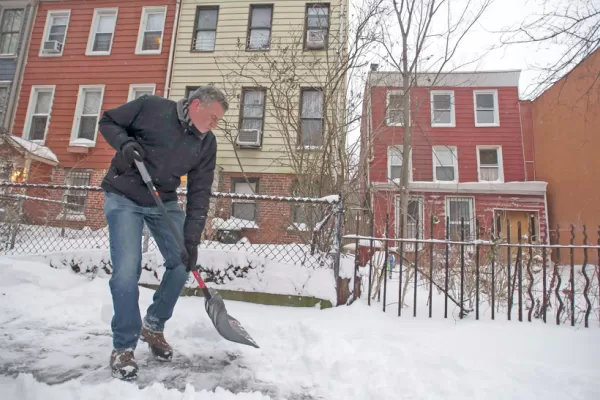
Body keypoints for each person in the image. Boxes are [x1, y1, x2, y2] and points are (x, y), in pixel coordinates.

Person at [98, 86, 228, 380]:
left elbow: (200, 192)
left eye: (218, 121)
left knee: (182, 263)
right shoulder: (151, 107)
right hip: (125, 193)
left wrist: (191, 239)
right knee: (126, 272)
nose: (214, 125)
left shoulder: (206, 143)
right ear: (196, 105)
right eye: (213, 117)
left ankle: (153, 325)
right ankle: (123, 346)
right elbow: (108, 121)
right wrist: (124, 143)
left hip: (163, 199)